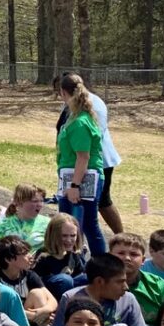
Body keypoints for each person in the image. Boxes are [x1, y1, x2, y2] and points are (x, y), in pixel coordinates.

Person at [55, 73, 124, 235]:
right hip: (76, 165)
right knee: (89, 209)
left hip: (94, 163)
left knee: (100, 207)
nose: (59, 96)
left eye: (59, 91)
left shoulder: (91, 105)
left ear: (65, 90)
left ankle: (121, 239)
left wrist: (75, 184)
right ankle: (79, 242)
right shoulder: (74, 104)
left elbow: (87, 142)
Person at [50, 254, 151, 326]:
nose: (126, 287)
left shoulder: (128, 299)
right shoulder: (70, 298)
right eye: (120, 282)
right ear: (99, 281)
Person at [55, 73, 106, 255]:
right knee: (73, 225)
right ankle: (73, 260)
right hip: (71, 176)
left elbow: (83, 157)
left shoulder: (80, 122)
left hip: (81, 179)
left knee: (84, 225)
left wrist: (75, 185)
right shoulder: (76, 116)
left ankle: (102, 264)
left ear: (62, 92)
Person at [108, 232, 164, 326]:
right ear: (109, 256)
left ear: (143, 260)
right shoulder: (99, 283)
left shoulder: (158, 286)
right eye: (121, 253)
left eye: (133, 254)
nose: (127, 258)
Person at [0, 236, 58, 326]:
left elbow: (52, 300)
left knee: (37, 293)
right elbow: (0, 310)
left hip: (31, 320)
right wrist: (31, 315)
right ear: (8, 259)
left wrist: (43, 311)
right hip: (7, 323)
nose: (30, 256)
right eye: (25, 254)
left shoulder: (29, 275)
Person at [32, 213, 87, 299]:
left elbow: (81, 275)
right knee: (65, 280)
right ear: (53, 235)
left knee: (90, 277)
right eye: (64, 236)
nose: (69, 240)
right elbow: (33, 283)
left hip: (69, 292)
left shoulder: (74, 254)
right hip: (48, 294)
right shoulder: (44, 256)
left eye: (73, 235)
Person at [0, 183, 50, 253]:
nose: (40, 205)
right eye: (35, 201)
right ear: (19, 202)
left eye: (41, 201)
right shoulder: (3, 226)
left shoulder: (48, 224)